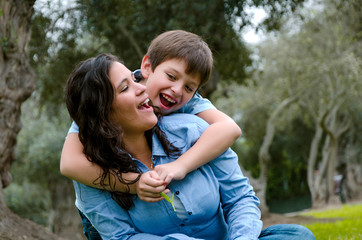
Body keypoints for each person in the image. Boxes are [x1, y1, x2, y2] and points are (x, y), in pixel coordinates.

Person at [64, 53, 315, 240]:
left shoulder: (194, 129)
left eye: (135, 79)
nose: (143, 87)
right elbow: (121, 236)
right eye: (127, 86)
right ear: (103, 111)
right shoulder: (92, 172)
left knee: (296, 236)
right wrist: (133, 183)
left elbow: (240, 198)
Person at [61, 30, 241, 203]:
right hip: (112, 199)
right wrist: (134, 183)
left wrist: (180, 166)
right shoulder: (114, 96)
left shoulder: (191, 103)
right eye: (171, 76)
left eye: (189, 87)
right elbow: (69, 163)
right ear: (147, 67)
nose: (177, 90)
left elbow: (229, 128)